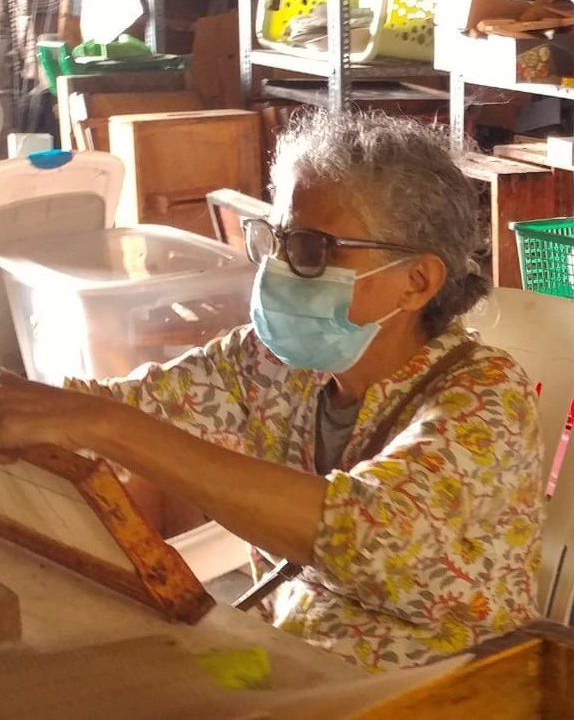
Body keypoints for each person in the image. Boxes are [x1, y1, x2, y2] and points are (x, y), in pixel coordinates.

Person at [0, 110, 543, 672]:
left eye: (313, 250)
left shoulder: (486, 398)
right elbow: (108, 410)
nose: (279, 269)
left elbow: (358, 532)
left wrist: (102, 426)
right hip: (292, 658)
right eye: (278, 239)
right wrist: (56, 413)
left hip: (446, 687)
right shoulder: (276, 366)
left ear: (417, 281)